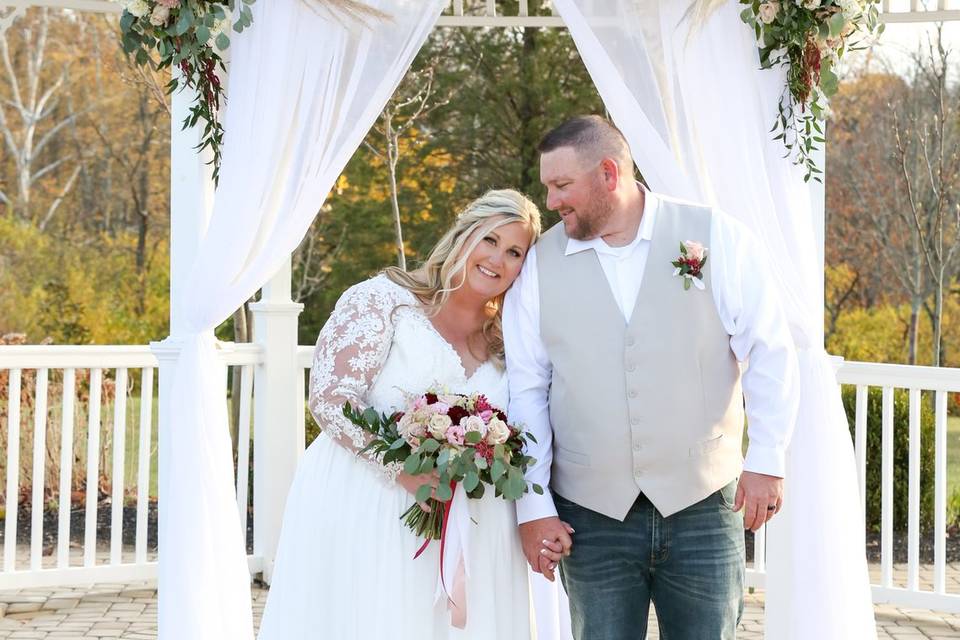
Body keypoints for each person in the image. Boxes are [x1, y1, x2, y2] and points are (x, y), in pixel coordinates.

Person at [504, 115, 800, 639]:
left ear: (609, 174)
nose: (550, 201)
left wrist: (768, 460)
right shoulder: (538, 265)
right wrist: (533, 505)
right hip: (590, 517)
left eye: (562, 185)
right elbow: (527, 391)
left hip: (704, 506)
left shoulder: (716, 237)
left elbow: (770, 351)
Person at [257, 188, 560, 640]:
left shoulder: (511, 334)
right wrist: (405, 469)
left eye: (514, 252)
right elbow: (331, 398)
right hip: (373, 506)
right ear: (463, 235)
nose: (497, 259)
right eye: (489, 240)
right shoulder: (383, 299)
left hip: (477, 525)